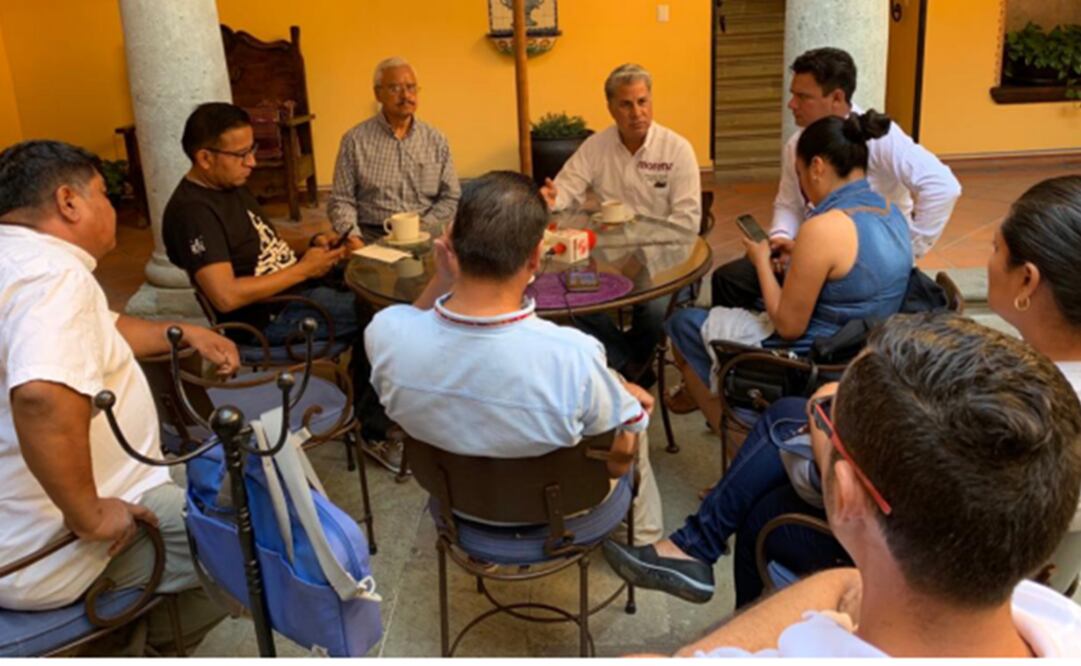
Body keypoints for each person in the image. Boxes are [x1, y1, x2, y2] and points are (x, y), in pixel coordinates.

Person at [607, 175, 1081, 610]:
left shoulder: (1035, 405)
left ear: (1027, 280)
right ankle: (694, 549)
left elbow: (895, 497)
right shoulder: (1033, 374)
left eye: (996, 250)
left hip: (931, 573)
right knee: (779, 457)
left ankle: (703, 560)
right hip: (1017, 577)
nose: (988, 260)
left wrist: (826, 425)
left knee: (774, 479)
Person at [656, 314, 1081, 657]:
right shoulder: (1057, 620)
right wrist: (848, 589)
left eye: (826, 420)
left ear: (846, 494)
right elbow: (847, 583)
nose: (820, 420)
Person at [0, 140, 235, 654]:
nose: (112, 207)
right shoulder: (54, 276)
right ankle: (142, 642)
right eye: (104, 194)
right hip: (50, 545)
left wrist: (182, 331)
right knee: (254, 546)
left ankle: (139, 620)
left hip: (14, 522)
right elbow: (41, 394)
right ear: (69, 202)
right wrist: (90, 515)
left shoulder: (16, 262)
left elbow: (104, 329)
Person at [365, 170, 664, 543]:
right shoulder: (574, 356)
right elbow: (618, 460)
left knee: (616, 397)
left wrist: (442, 279)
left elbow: (411, 321)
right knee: (629, 404)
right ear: (536, 258)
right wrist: (627, 422)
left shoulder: (386, 334)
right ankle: (643, 542)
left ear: (451, 248)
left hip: (457, 506)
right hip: (558, 510)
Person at [161, 102, 400, 473]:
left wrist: (313, 241)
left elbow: (260, 242)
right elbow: (225, 295)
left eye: (252, 150)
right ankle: (373, 430)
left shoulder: (229, 186)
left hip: (293, 291)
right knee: (381, 315)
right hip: (268, 319)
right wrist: (304, 271)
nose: (252, 162)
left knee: (381, 279)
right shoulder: (194, 212)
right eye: (241, 154)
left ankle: (381, 400)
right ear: (205, 157)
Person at [665, 110, 913, 429]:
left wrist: (760, 261)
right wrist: (800, 254)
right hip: (863, 350)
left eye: (799, 172)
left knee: (681, 323)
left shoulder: (823, 228)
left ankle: (739, 432)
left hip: (812, 360)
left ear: (817, 167)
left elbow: (788, 326)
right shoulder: (891, 211)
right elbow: (854, 268)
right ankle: (729, 399)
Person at [708, 47, 960, 316]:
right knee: (728, 279)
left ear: (837, 97)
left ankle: (772, 340)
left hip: (864, 267)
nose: (791, 104)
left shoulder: (880, 139)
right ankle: (754, 342)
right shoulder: (797, 144)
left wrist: (907, 248)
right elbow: (789, 203)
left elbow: (943, 186)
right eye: (792, 94)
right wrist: (780, 241)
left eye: (803, 97)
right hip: (815, 254)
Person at [540, 63, 702, 385]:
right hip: (608, 255)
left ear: (651, 101)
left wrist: (638, 258)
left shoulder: (677, 149)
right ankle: (632, 365)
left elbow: (686, 223)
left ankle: (626, 370)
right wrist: (550, 199)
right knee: (570, 295)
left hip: (666, 257)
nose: (636, 112)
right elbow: (566, 188)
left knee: (653, 311)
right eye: (626, 104)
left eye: (643, 101)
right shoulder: (596, 147)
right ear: (611, 108)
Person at [327, 56, 460, 244]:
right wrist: (353, 237)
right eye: (395, 88)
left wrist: (424, 227)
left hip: (426, 232)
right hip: (374, 234)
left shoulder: (436, 140)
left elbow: (451, 196)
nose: (405, 95)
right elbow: (341, 200)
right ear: (377, 94)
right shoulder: (354, 141)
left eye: (411, 87)